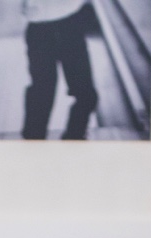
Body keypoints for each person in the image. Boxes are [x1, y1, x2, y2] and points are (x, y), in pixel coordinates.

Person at [20, 0, 99, 140]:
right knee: (43, 94)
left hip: (64, 25)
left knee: (85, 94)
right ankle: (35, 144)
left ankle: (72, 138)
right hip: (49, 28)